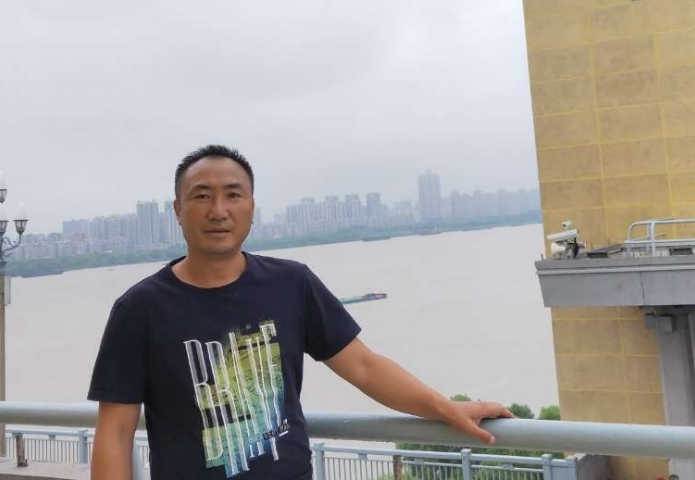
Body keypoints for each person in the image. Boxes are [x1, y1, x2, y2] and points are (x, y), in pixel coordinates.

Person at [88, 145, 513, 480]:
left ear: (251, 207)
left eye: (233, 195)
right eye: (201, 196)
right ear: (178, 210)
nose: (218, 210)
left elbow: (364, 367)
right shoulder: (139, 308)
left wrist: (447, 409)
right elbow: (116, 432)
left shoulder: (291, 283)